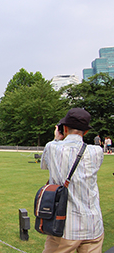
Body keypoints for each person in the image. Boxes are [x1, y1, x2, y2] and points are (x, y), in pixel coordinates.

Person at [40, 108, 104, 252]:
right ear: (86, 132)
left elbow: (45, 166)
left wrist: (57, 138)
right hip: (93, 224)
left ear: (65, 128)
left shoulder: (52, 147)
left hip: (65, 226)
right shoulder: (96, 151)